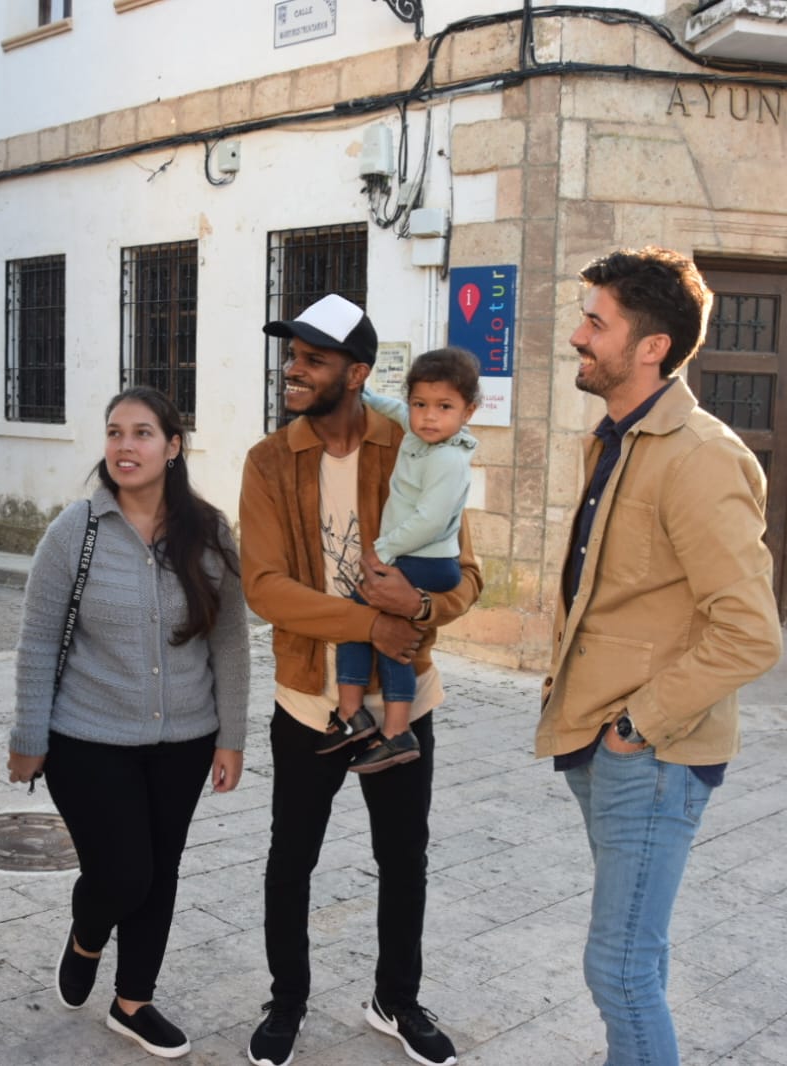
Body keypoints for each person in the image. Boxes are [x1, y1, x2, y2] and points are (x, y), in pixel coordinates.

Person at [537, 247, 782, 1065]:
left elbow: (748, 630)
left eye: (595, 322)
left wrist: (635, 729)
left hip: (649, 753)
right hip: (602, 742)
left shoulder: (698, 456)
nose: (578, 335)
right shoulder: (618, 439)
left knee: (615, 967)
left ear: (650, 347)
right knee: (637, 955)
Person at [241, 294, 482, 1066]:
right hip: (309, 699)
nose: (294, 369)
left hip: (404, 702)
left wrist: (415, 606)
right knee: (292, 860)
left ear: (356, 371)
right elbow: (264, 587)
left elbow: (466, 574)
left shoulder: (415, 440)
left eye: (311, 358)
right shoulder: (269, 460)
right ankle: (287, 1002)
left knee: (403, 856)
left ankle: (397, 999)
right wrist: (369, 624)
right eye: (292, 355)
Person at [7, 386, 248, 1060]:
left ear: (173, 447)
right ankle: (88, 936)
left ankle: (131, 1000)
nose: (124, 446)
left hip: (186, 739)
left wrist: (231, 734)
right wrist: (28, 738)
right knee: (122, 873)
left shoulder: (209, 532)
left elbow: (229, 642)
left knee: (159, 870)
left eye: (141, 433)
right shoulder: (74, 532)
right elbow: (35, 641)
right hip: (87, 739)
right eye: (114, 432)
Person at [328, 347, 480, 774]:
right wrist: (368, 394)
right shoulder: (419, 436)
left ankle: (361, 718)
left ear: (468, 411)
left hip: (425, 559)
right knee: (385, 629)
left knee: (361, 618)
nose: (429, 417)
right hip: (417, 555)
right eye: (421, 405)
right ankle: (384, 727)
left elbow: (430, 520)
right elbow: (393, 409)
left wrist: (384, 550)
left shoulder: (448, 460)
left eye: (444, 407)